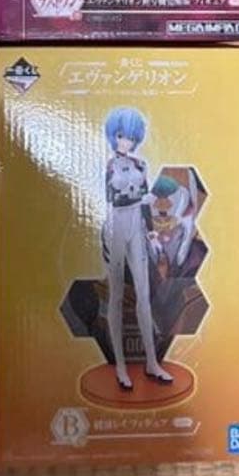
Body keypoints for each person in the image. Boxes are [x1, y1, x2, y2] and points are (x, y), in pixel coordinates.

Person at [102, 106, 172, 390]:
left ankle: (152, 362)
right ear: (113, 135)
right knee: (117, 295)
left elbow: (144, 203)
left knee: (143, 294)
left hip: (137, 228)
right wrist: (140, 199)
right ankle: (120, 367)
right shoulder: (109, 165)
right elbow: (112, 199)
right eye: (121, 135)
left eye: (130, 137)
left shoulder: (141, 165)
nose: (125, 142)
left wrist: (152, 231)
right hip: (115, 227)